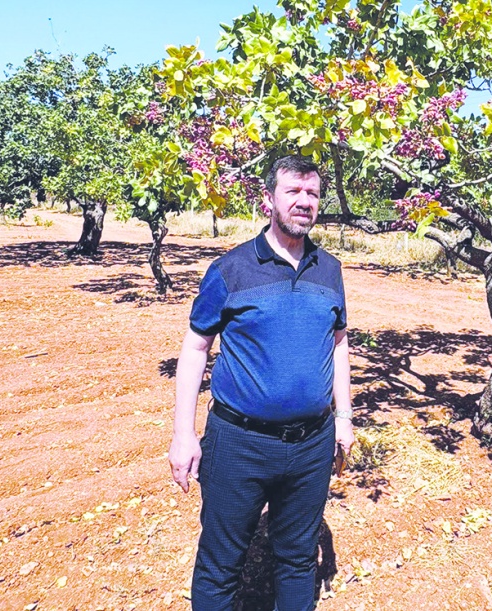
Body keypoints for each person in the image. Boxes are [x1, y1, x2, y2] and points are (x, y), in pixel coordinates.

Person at [168, 155, 355, 611]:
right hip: (238, 444)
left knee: (296, 561)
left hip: (312, 444)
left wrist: (344, 418)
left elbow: (339, 343)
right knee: (221, 564)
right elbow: (195, 349)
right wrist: (182, 433)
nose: (304, 202)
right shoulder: (230, 270)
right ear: (269, 199)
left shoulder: (329, 270)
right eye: (293, 191)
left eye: (312, 193)